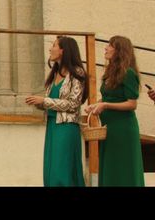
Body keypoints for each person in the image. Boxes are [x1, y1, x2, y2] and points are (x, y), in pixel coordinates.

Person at [25, 36, 87, 187]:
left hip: (67, 128)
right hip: (52, 126)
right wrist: (38, 102)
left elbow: (73, 104)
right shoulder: (54, 74)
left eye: (54, 46)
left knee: (63, 170)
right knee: (51, 169)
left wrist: (44, 101)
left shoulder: (77, 73)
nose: (50, 49)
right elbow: (52, 102)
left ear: (63, 50)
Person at [85, 36, 145, 186]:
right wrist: (96, 105)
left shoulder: (129, 73)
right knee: (110, 166)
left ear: (119, 51)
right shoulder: (110, 72)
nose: (105, 48)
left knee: (123, 168)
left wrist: (105, 105)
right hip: (109, 127)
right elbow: (109, 97)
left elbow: (132, 104)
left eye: (110, 45)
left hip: (123, 128)